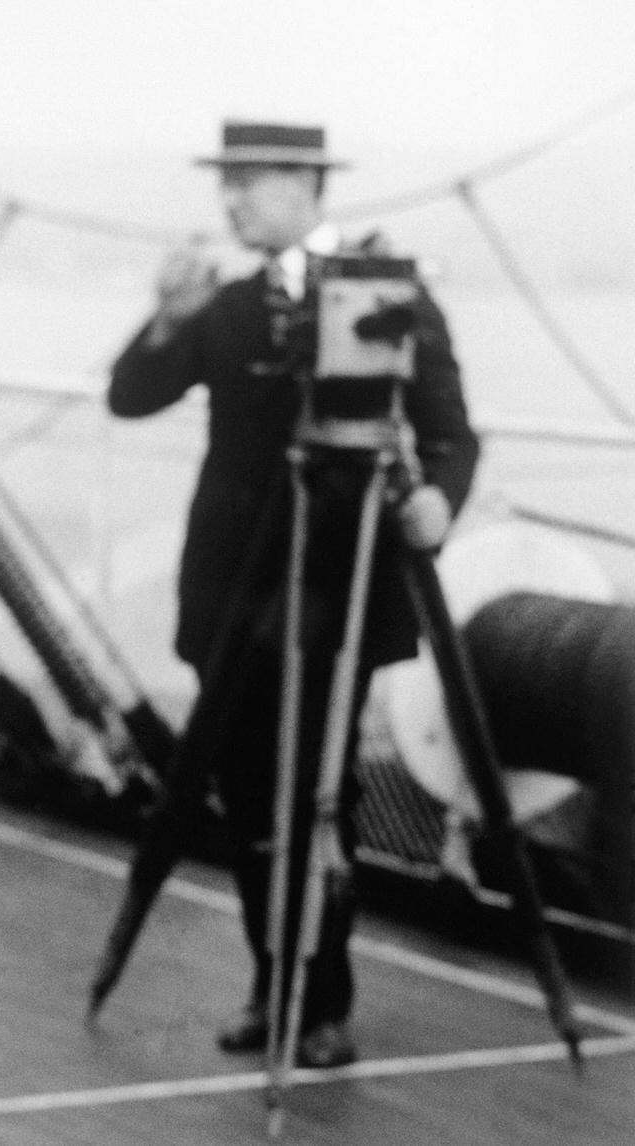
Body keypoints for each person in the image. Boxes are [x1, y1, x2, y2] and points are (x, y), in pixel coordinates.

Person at [107, 121, 479, 1067]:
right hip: (231, 595)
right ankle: (270, 986)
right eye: (226, 182)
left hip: (334, 591)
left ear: (306, 185)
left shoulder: (386, 293)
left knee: (320, 794)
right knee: (243, 790)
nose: (230, 201)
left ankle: (324, 1006)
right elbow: (133, 395)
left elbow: (449, 430)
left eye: (249, 181)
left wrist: (439, 495)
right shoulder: (225, 304)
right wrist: (165, 316)